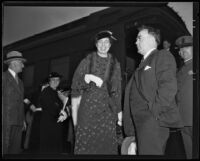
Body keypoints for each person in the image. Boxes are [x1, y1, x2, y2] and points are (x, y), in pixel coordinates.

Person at [123, 25, 183, 155]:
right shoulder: (141, 64)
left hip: (152, 122)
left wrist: (154, 113)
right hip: (141, 124)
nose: (135, 42)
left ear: (152, 39)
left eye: (139, 38)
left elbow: (168, 87)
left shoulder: (162, 56)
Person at [71, 30, 122, 154]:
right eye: (100, 42)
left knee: (106, 146)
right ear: (96, 44)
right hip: (88, 110)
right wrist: (87, 77)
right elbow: (75, 85)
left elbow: (117, 89)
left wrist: (119, 111)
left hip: (107, 111)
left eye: (106, 42)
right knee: (87, 146)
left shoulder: (115, 64)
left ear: (110, 45)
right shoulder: (87, 61)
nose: (103, 45)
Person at [3, 51, 27, 154]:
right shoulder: (3, 77)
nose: (23, 65)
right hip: (5, 121)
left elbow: (20, 102)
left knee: (14, 151)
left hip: (18, 121)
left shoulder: (20, 82)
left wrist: (23, 120)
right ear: (13, 63)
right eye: (21, 62)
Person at [39, 72, 68, 154]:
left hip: (57, 123)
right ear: (49, 81)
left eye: (57, 80)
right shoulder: (46, 91)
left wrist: (64, 111)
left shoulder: (57, 93)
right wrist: (60, 111)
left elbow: (63, 105)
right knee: (48, 148)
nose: (55, 82)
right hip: (48, 124)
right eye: (53, 80)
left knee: (56, 147)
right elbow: (50, 105)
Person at [175, 35, 193, 159]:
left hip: (194, 118)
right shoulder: (180, 71)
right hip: (182, 119)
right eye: (181, 49)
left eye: (187, 47)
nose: (183, 50)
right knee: (189, 152)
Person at [26, 78, 49, 153]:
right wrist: (30, 105)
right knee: (35, 136)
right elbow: (25, 99)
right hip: (37, 115)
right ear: (44, 84)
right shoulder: (35, 93)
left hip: (47, 117)